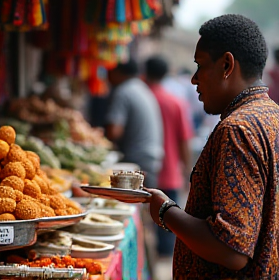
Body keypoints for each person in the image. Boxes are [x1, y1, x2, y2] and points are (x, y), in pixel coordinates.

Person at [120, 14, 279, 279]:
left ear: (227, 65)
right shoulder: (271, 115)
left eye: (200, 65)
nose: (194, 79)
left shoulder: (237, 130)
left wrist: (165, 210)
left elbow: (232, 250)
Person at [143, 55, 193, 257]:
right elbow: (184, 140)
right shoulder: (176, 102)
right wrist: (187, 171)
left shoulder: (144, 98)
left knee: (144, 229)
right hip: (170, 173)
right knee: (167, 231)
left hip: (144, 172)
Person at [104, 58, 164, 189]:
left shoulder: (123, 91)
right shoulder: (141, 88)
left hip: (137, 161)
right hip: (150, 159)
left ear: (118, 72)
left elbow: (114, 132)